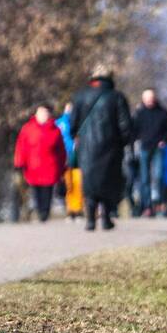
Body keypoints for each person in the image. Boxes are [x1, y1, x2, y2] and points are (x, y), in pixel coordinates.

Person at [70, 65, 132, 231]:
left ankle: (90, 219)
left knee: (89, 181)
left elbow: (72, 122)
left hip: (86, 146)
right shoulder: (117, 97)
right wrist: (125, 142)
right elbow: (125, 124)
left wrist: (76, 137)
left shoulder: (80, 96)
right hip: (111, 146)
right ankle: (106, 218)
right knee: (108, 181)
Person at [13, 103, 67, 221]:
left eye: (46, 112)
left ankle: (45, 213)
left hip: (50, 166)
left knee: (47, 191)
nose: (44, 115)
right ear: (36, 114)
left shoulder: (55, 129)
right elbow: (21, 147)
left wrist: (63, 166)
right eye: (41, 112)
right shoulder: (27, 128)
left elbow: (61, 150)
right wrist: (19, 163)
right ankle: (40, 210)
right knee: (36, 191)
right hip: (33, 166)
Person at [132, 88, 167, 217]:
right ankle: (146, 206)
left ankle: (160, 205)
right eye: (147, 98)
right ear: (143, 99)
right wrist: (136, 141)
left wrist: (164, 141)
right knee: (144, 178)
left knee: (159, 176)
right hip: (144, 148)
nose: (149, 101)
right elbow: (133, 131)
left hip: (158, 148)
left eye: (151, 98)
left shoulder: (162, 112)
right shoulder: (139, 113)